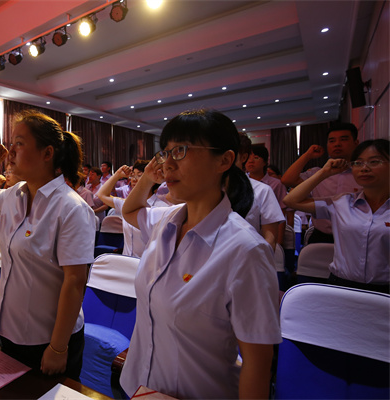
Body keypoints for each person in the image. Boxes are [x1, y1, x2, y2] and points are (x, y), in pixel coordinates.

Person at [119, 109, 281, 399]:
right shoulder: (165, 220)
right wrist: (147, 178)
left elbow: (257, 363)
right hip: (136, 387)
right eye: (165, 153)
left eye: (180, 151)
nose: (168, 164)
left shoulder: (246, 251)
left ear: (225, 160)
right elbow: (130, 210)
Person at [0, 110, 95, 380]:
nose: (10, 151)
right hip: (11, 329)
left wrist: (58, 348)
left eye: (19, 143)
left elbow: (74, 282)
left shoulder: (71, 207)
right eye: (11, 143)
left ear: (47, 153)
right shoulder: (14, 194)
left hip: (48, 337)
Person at [283, 139, 389, 293]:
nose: (364, 168)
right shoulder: (342, 202)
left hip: (384, 290)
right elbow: (291, 200)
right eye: (358, 163)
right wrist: (324, 173)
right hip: (342, 285)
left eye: (374, 162)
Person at [281, 123, 361, 243]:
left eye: (344, 139)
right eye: (332, 141)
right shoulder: (317, 173)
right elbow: (287, 180)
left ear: (356, 143)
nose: (337, 144)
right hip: (322, 236)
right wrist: (307, 155)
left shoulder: (363, 174)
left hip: (355, 237)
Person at [96, 161, 154, 258]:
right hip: (127, 262)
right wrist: (117, 175)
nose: (134, 180)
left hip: (148, 264)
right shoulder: (127, 204)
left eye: (139, 175)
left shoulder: (160, 206)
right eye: (133, 176)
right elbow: (101, 194)